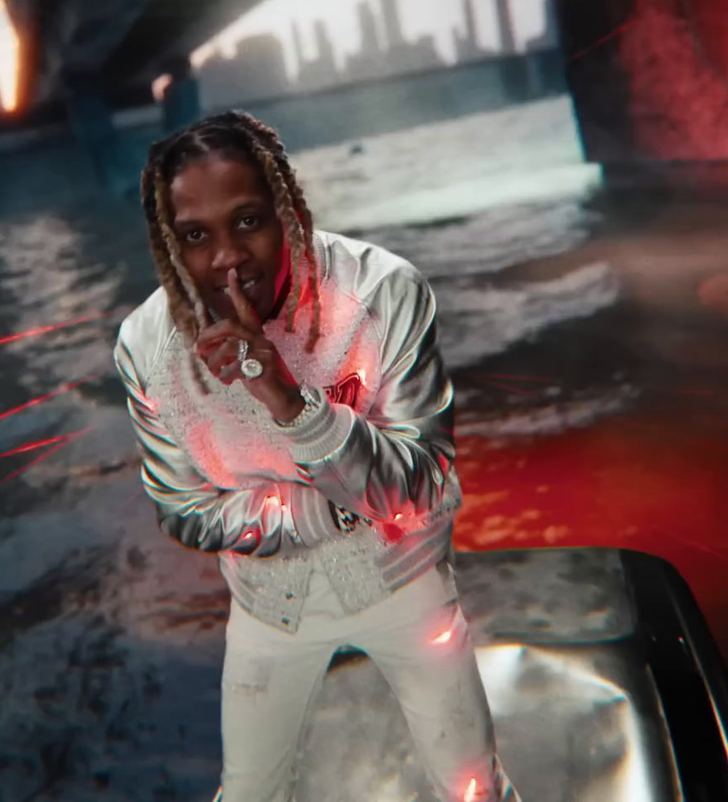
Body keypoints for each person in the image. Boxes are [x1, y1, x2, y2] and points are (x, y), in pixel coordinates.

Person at [114, 111, 518, 802]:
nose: (228, 259)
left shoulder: (384, 293)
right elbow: (181, 511)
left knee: (472, 786)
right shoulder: (146, 347)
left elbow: (422, 483)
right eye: (196, 236)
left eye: (247, 221)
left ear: (289, 208)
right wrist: (324, 509)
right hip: (269, 611)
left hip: (403, 586)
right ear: (168, 245)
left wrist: (286, 397)